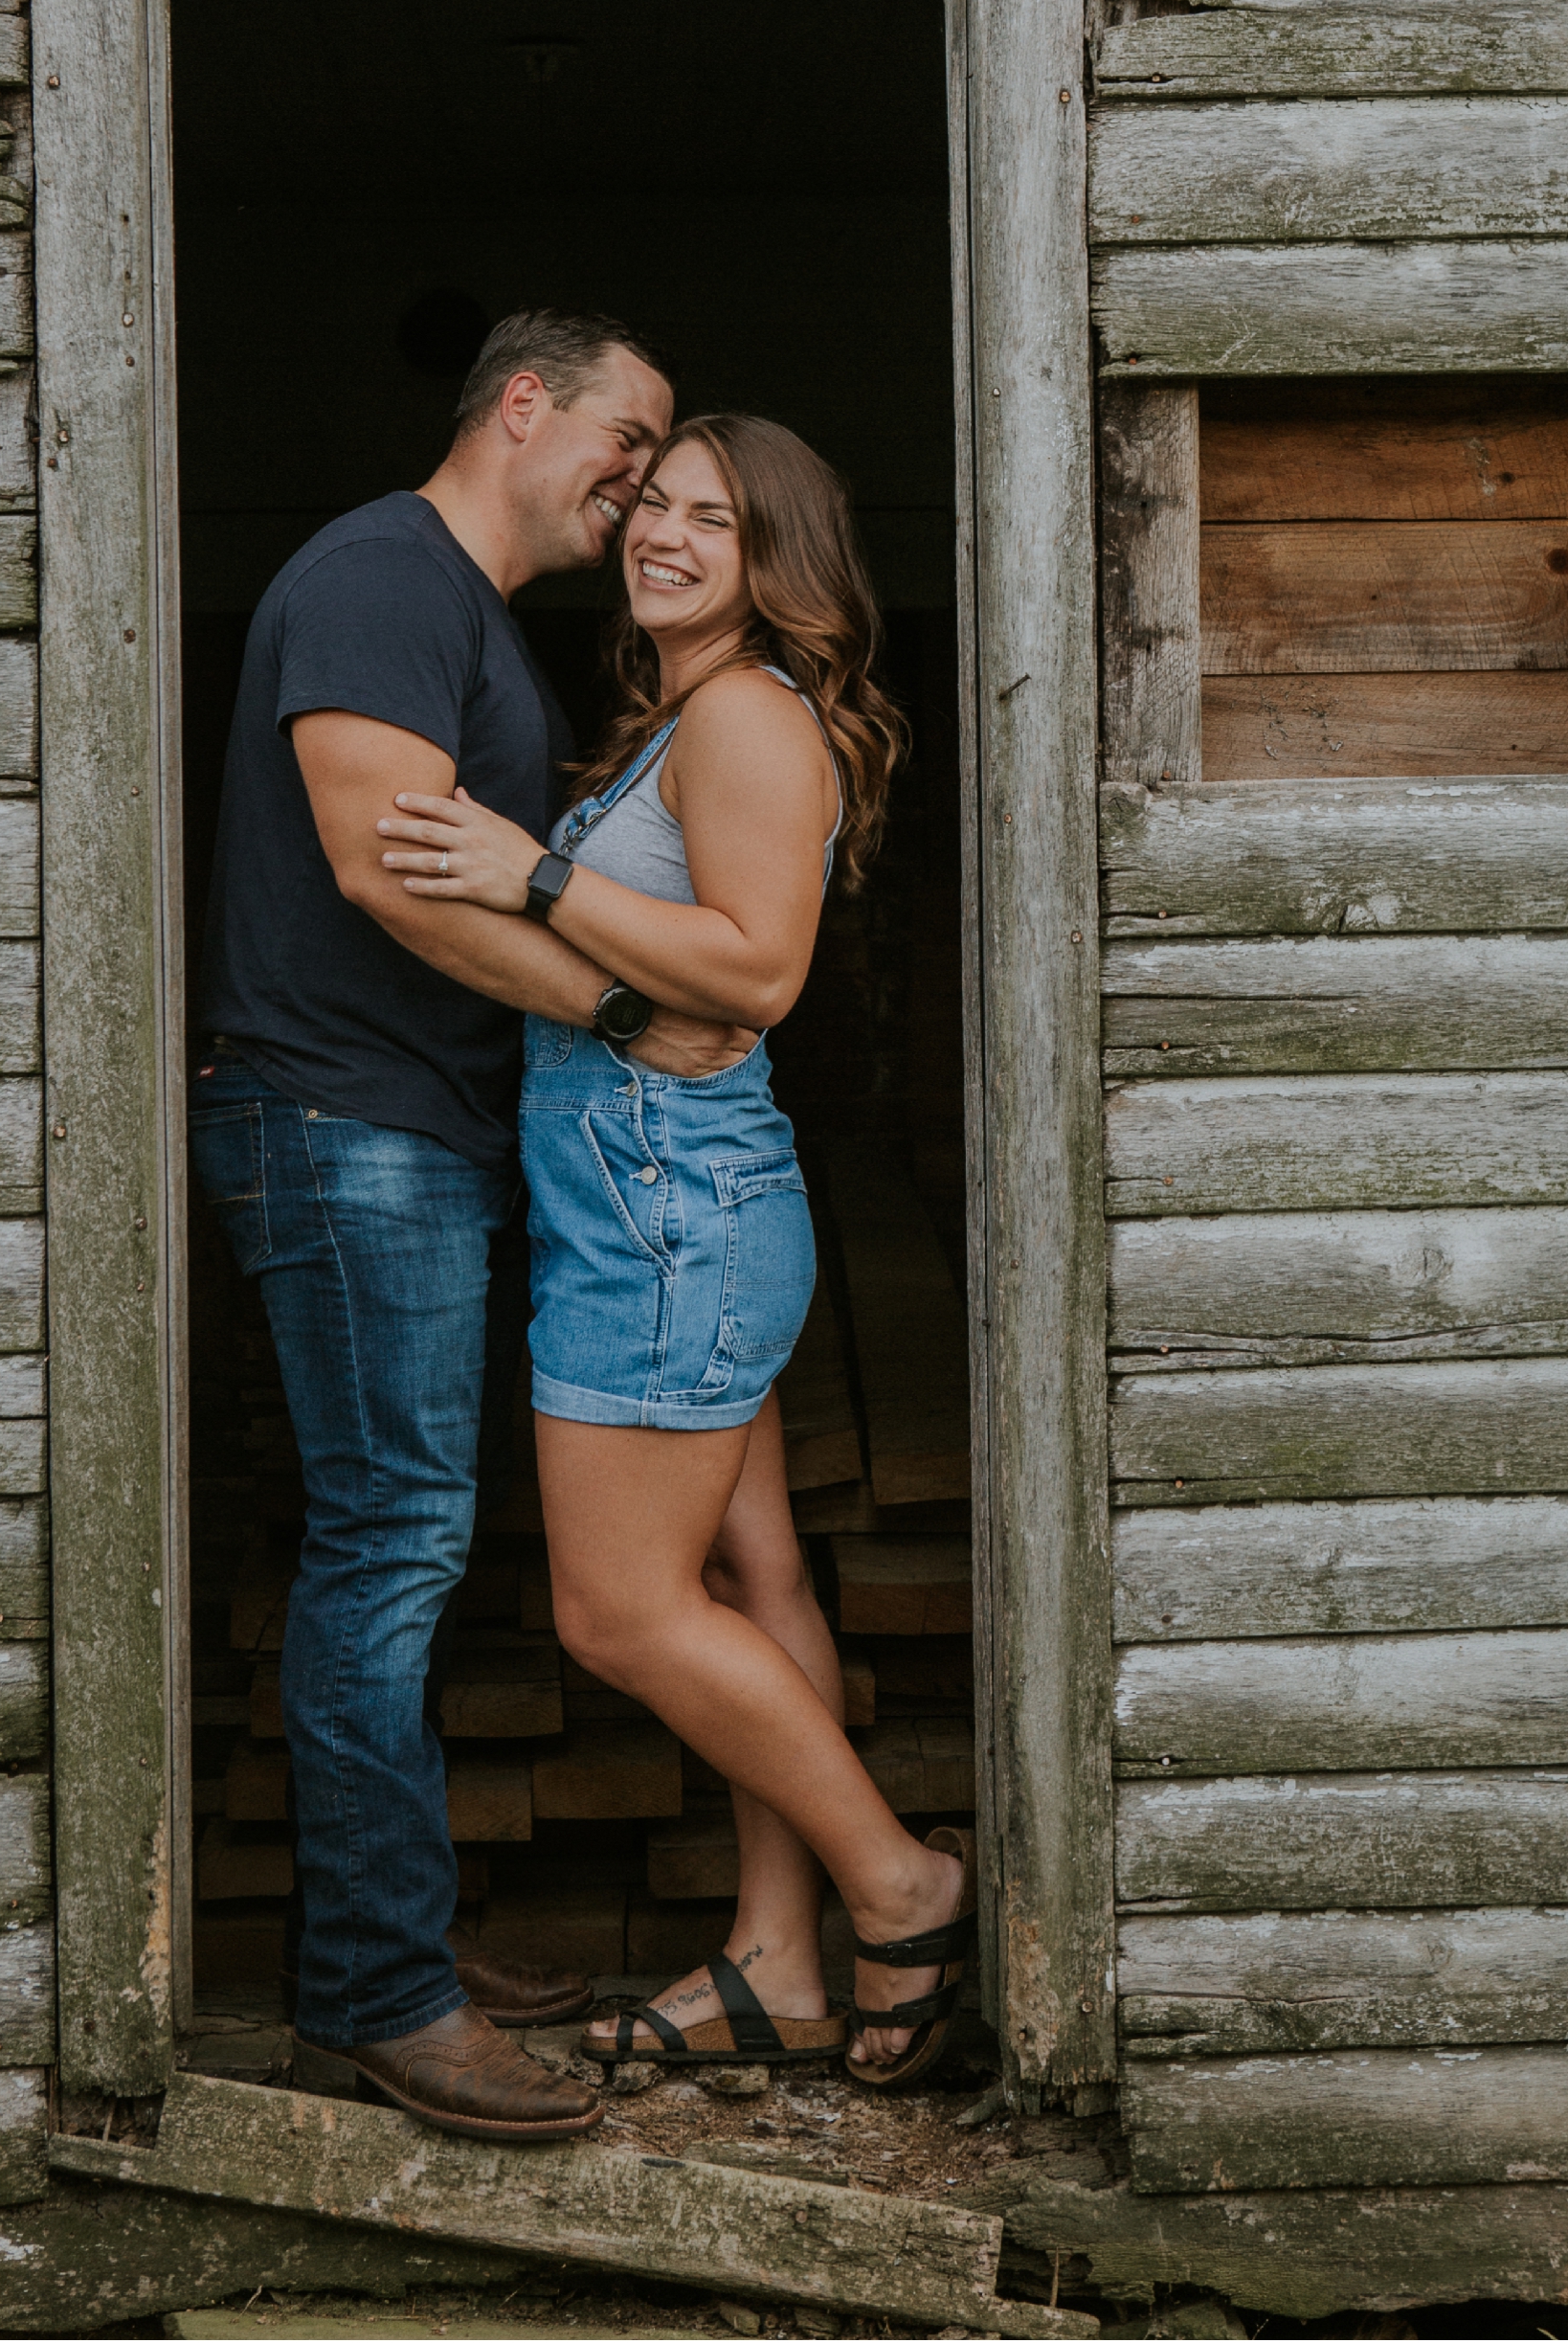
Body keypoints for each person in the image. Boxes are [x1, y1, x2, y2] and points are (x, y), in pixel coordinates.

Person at [191, 311, 750, 2143]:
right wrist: (617, 1013)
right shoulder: (377, 576)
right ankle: (379, 1992)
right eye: (631, 433)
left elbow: (467, 867)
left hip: (406, 1135)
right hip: (347, 1129)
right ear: (528, 404)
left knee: (402, 1545)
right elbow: (380, 862)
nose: (644, 475)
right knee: (392, 1548)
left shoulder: (456, 608)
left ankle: (398, 1933)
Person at [374, 415, 974, 2093]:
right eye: (653, 504)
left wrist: (531, 868)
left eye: (714, 518)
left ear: (777, 558)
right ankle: (778, 1963)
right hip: (667, 1198)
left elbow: (760, 968)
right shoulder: (690, 715)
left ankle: (899, 1887)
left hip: (666, 1212)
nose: (663, 532)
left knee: (622, 1611)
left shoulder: (744, 712)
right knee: (747, 1579)